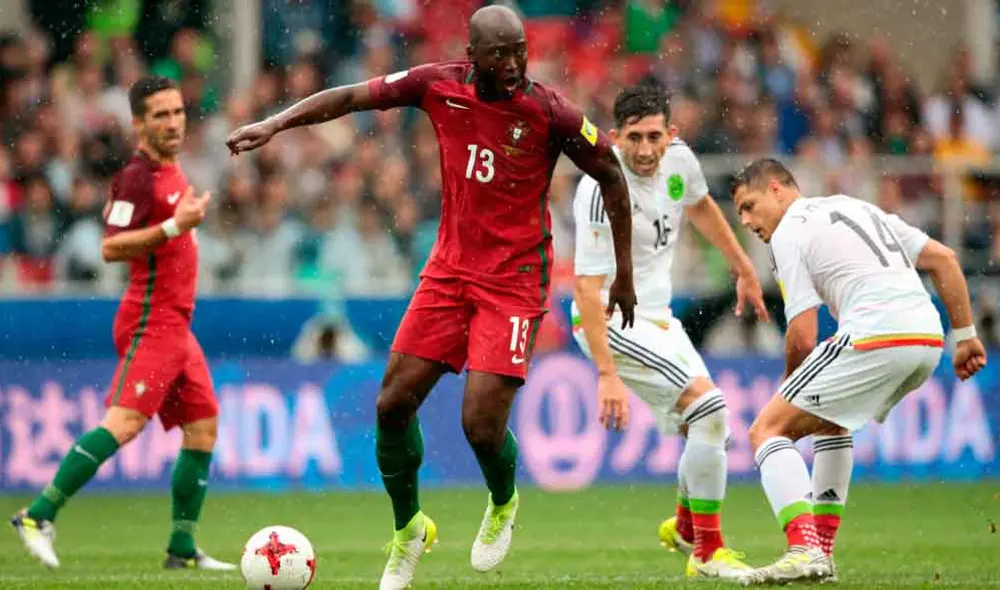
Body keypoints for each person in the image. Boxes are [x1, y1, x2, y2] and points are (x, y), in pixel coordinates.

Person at [226, 6, 637, 590]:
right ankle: (409, 529)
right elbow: (348, 98)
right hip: (449, 272)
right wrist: (275, 124)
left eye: (520, 49)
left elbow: (612, 175)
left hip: (514, 282)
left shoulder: (549, 112)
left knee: (480, 427)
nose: (515, 62)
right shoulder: (436, 84)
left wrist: (625, 275)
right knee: (391, 405)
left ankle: (502, 499)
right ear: (472, 56)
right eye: (500, 53)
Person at [10, 76, 233, 572]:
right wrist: (178, 226)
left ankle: (181, 549)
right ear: (139, 123)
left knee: (202, 426)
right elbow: (111, 247)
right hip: (151, 320)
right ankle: (38, 514)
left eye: (177, 112)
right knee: (125, 421)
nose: (174, 122)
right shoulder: (136, 177)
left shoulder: (171, 168)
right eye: (161, 115)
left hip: (177, 326)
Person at [731, 158, 987, 584]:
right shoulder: (857, 208)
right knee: (831, 424)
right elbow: (943, 258)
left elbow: (802, 334)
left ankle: (803, 548)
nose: (745, 220)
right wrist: (966, 335)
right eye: (739, 212)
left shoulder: (789, 232)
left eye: (749, 205)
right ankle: (822, 554)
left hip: (878, 334)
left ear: (777, 189)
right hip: (925, 339)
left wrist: (789, 387)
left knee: (766, 431)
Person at [571, 83, 768, 580]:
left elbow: (700, 205)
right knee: (713, 408)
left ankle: (685, 528)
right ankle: (708, 551)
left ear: (671, 134)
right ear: (616, 137)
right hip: (611, 320)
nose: (644, 150)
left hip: (658, 317)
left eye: (653, 136)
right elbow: (586, 290)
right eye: (633, 138)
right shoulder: (600, 186)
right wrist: (606, 374)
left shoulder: (679, 160)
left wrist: (743, 267)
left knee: (706, 424)